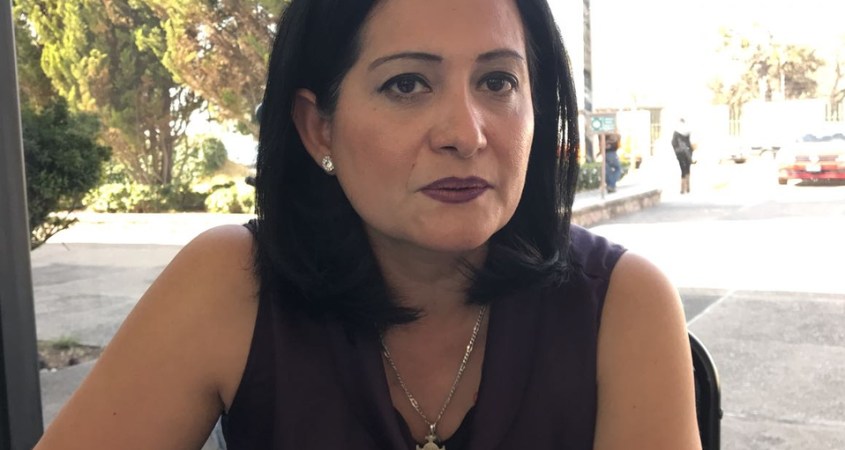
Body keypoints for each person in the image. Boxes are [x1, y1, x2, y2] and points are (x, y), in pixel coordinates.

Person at [35, 0, 701, 449]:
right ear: (317, 127)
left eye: (497, 82)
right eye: (407, 84)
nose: (465, 134)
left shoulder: (621, 302)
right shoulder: (232, 283)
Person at [672, 118, 694, 194]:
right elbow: (690, 142)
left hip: (680, 153)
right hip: (688, 152)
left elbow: (673, 143)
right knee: (687, 168)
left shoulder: (676, 132)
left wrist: (676, 150)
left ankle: (682, 188)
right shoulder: (688, 131)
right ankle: (688, 187)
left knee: (683, 169)